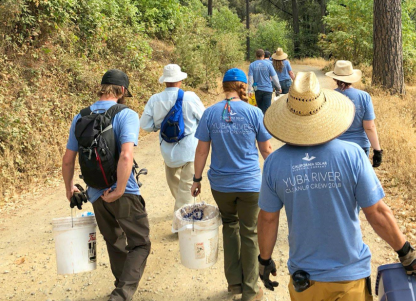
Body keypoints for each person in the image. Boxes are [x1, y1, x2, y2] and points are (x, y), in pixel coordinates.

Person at [257, 72, 416, 301]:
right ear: (325, 111)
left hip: (305, 281)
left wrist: (264, 260)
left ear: (289, 115)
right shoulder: (353, 155)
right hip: (349, 279)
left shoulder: (274, 164)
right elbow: (376, 212)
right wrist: (406, 253)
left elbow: (268, 218)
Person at [62, 69, 150, 301]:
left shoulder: (80, 116)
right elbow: (125, 156)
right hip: (124, 191)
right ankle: (121, 294)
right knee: (140, 243)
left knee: (114, 241)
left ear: (102, 88)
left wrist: (70, 188)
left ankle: (120, 288)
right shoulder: (127, 114)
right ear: (121, 91)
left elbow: (68, 159)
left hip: (95, 192)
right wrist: (120, 189)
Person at [191, 68, 273, 301]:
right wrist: (277, 174)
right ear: (242, 86)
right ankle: (250, 290)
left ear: (224, 86)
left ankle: (234, 284)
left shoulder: (210, 113)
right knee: (250, 233)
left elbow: (201, 149)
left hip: (221, 185)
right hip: (249, 184)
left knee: (229, 226)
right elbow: (266, 149)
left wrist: (196, 179)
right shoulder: (254, 112)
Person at [140, 64, 205, 213]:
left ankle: (185, 210)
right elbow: (204, 119)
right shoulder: (189, 97)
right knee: (187, 188)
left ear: (165, 81)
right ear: (180, 80)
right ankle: (183, 220)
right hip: (190, 150)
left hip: (168, 152)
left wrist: (158, 126)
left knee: (177, 188)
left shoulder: (155, 100)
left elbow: (144, 125)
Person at [326, 60, 383, 167]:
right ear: (352, 78)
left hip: (336, 147)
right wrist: (377, 151)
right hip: (360, 146)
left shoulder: (329, 97)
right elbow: (369, 127)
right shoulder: (364, 96)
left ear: (334, 78)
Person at [248, 49, 282, 114]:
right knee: (267, 109)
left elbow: (250, 79)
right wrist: (278, 87)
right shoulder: (269, 65)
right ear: (263, 55)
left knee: (259, 109)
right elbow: (275, 77)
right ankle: (266, 123)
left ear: (256, 56)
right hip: (267, 90)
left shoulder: (252, 65)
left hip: (257, 90)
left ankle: (260, 122)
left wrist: (249, 90)